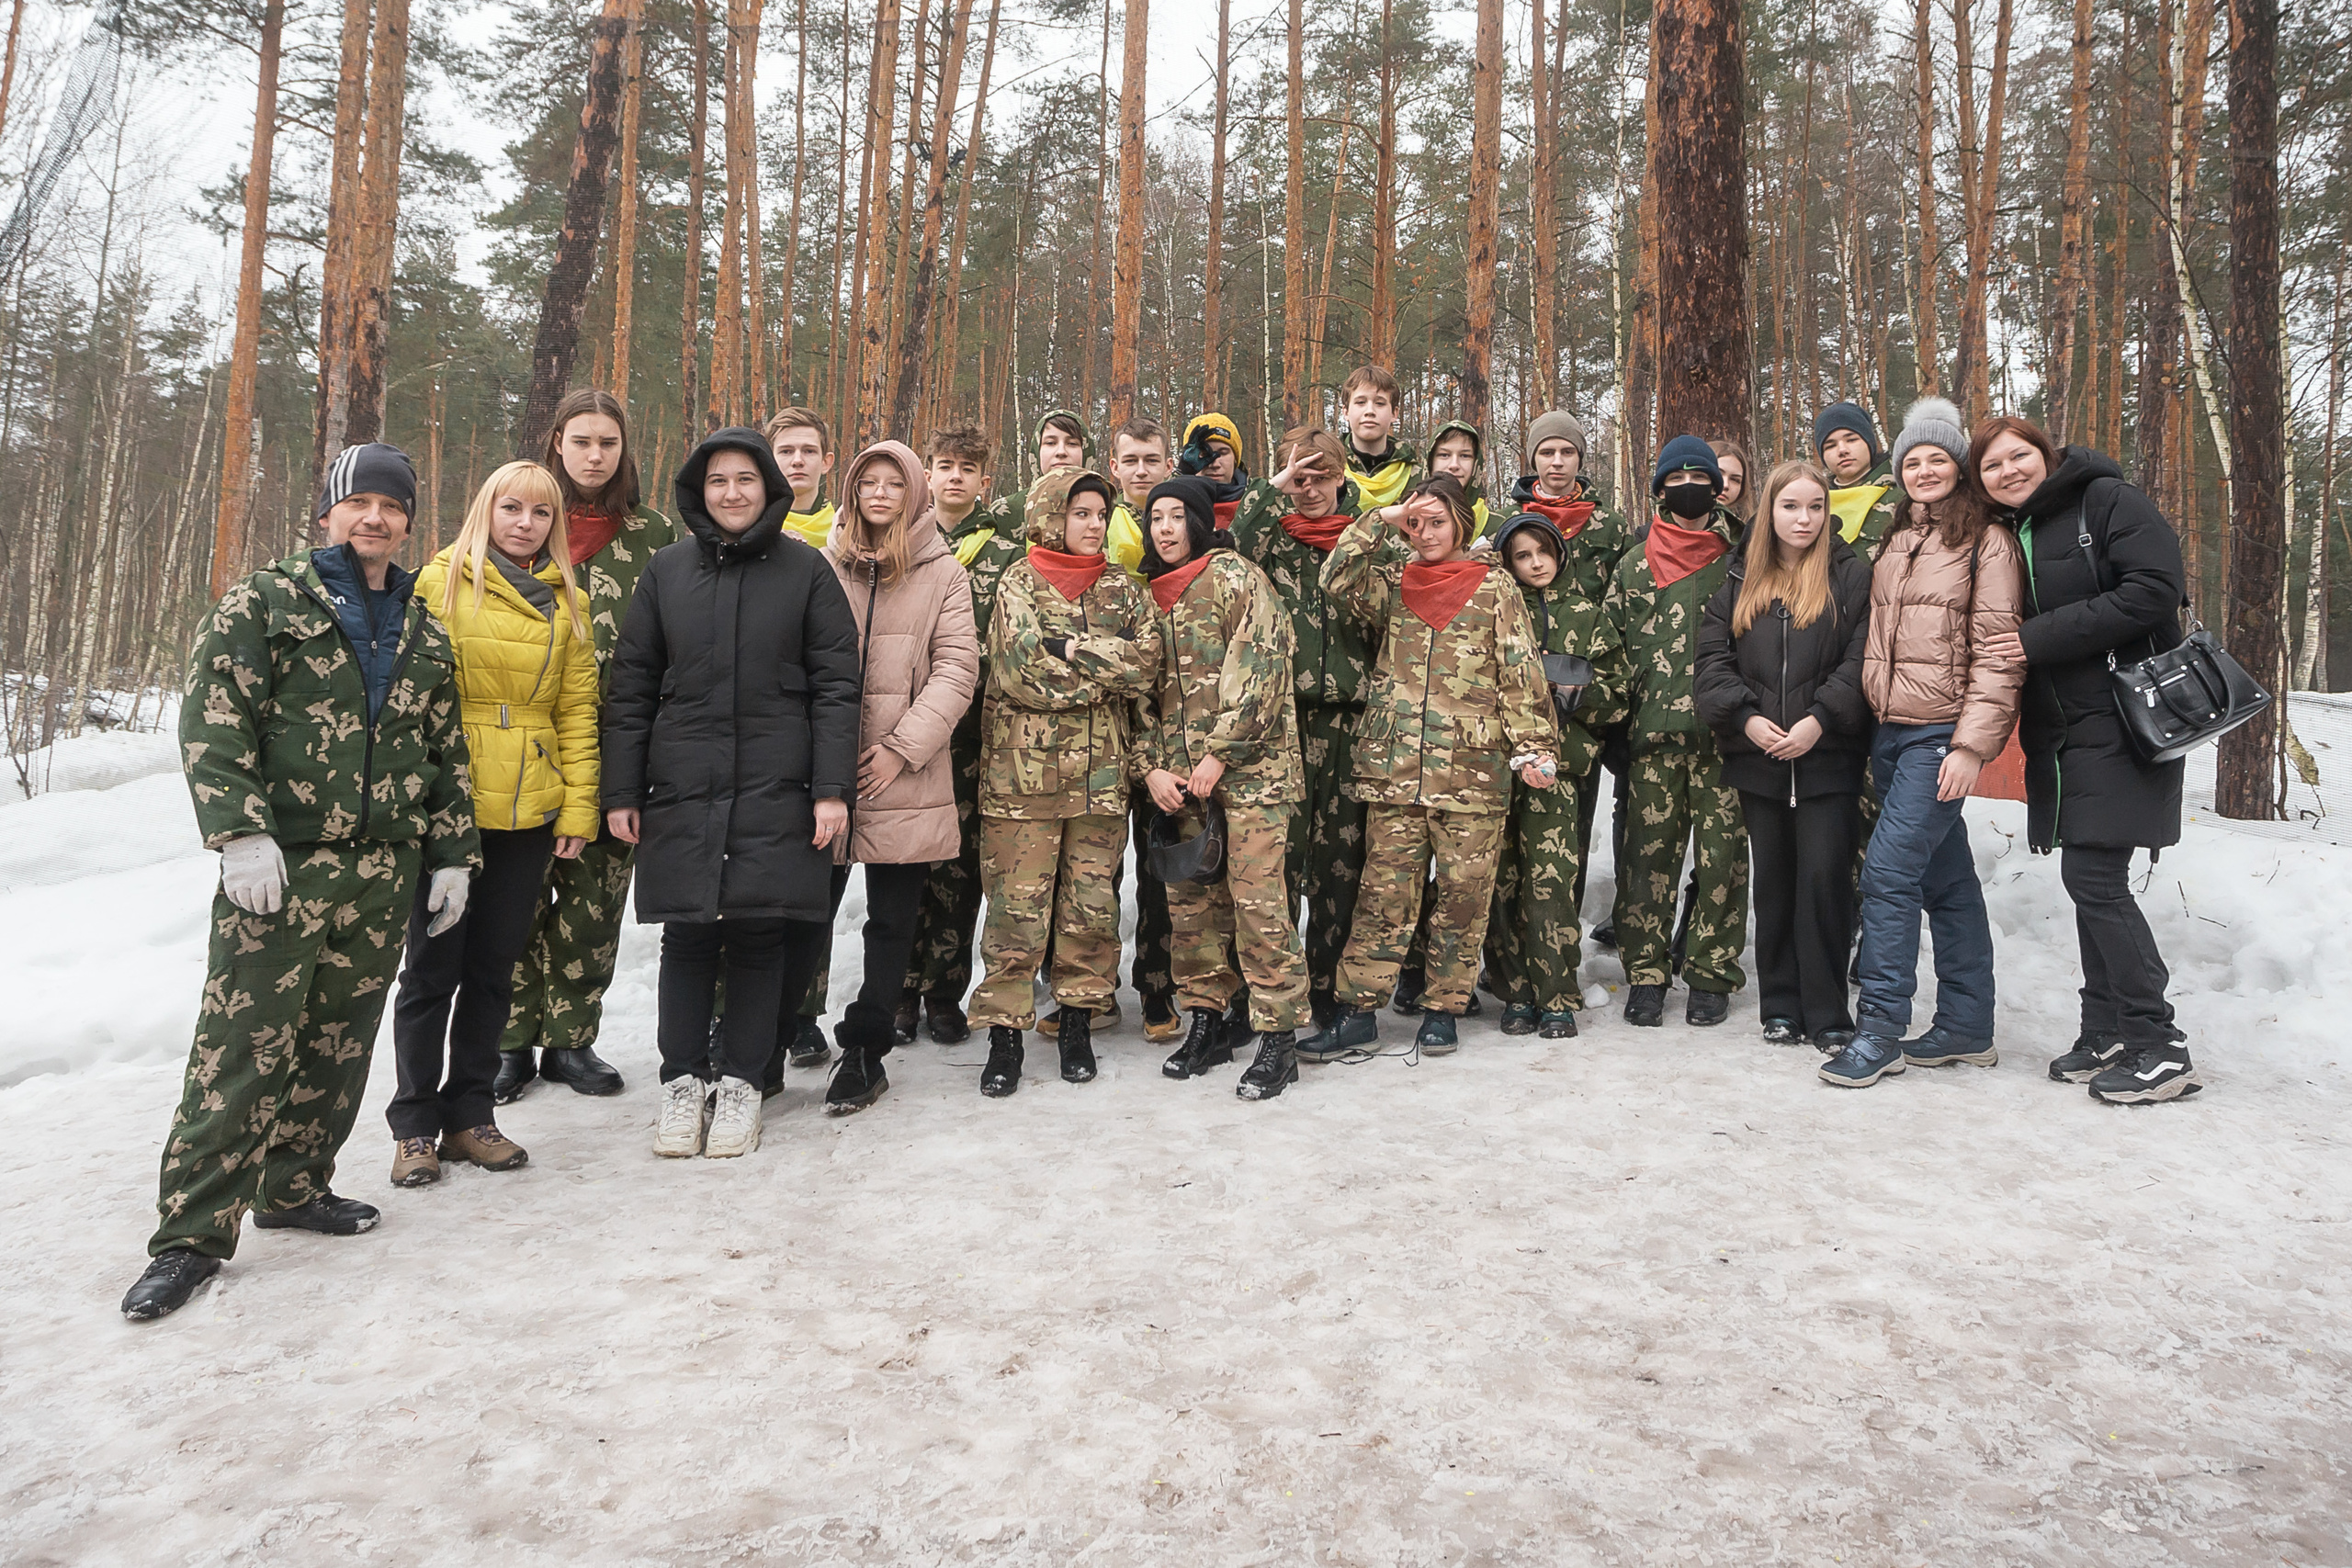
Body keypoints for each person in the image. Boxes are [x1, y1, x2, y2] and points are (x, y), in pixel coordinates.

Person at [121, 444, 481, 1323]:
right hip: (282, 867)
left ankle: (295, 1186)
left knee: (338, 1039)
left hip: (381, 868)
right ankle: (189, 1236)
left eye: (390, 506)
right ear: (326, 514)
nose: (374, 518)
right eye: (356, 502)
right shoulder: (266, 602)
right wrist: (240, 833)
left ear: (407, 521)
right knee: (242, 1047)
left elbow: (444, 752)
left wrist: (451, 852)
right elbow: (214, 719)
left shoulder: (424, 625)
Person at [601, 428, 861, 1156]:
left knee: (758, 932)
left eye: (746, 479)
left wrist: (830, 789)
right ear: (698, 490)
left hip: (778, 783)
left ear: (769, 487)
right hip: (682, 784)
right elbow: (632, 689)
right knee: (688, 933)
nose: (733, 492)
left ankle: (745, 1081)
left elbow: (839, 687)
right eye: (718, 481)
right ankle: (683, 1083)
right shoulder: (666, 572)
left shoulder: (807, 571)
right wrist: (622, 788)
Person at [1974, 416, 2201, 1103]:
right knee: (2090, 881)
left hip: (2125, 719)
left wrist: (2035, 637)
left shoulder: (2107, 501)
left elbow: (2155, 589)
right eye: (1992, 465)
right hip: (2065, 729)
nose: (2008, 471)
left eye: (2019, 456)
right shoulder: (2016, 530)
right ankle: (2105, 1029)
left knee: (2095, 878)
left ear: (2047, 455)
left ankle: (2159, 1045)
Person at [387, 461, 599, 1185]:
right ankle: (413, 1126)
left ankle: (471, 1115)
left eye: (541, 514)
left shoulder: (569, 599)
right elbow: (407, 700)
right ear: (486, 510)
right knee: (430, 970)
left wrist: (577, 805)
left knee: (492, 970)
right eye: (512, 508)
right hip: (449, 807)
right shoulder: (437, 582)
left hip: (528, 809)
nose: (525, 524)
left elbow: (576, 709)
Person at [1298, 476, 1558, 1058]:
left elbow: (1521, 673)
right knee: (1383, 893)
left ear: (1462, 523)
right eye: (1418, 522)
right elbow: (1334, 578)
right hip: (1395, 769)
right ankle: (1359, 1010)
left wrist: (1535, 745)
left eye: (1438, 520)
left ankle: (1443, 1008)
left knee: (1464, 896)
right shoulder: (1391, 584)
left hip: (1472, 769)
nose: (1427, 532)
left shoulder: (1495, 590)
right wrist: (1380, 519)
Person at [1821, 398, 2025, 1089]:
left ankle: (1879, 1028)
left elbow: (1999, 653)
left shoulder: (1986, 542)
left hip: (1939, 735)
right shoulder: (1897, 540)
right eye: (1913, 460)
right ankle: (1969, 1023)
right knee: (1948, 879)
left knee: (1887, 873)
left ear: (1958, 466)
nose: (1925, 469)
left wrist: (1970, 746)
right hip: (1890, 731)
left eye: (1938, 457)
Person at [495, 389, 675, 1104]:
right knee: (517, 893)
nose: (595, 455)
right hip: (527, 745)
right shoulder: (523, 523)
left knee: (593, 900)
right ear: (557, 444)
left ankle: (571, 1037)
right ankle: (508, 1041)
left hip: (620, 742)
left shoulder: (653, 533)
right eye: (581, 441)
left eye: (608, 442)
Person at [797, 440, 979, 1112]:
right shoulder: (820, 567)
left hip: (905, 772)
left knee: (891, 921)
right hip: (826, 772)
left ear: (914, 492)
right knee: (805, 911)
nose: (878, 493)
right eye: (866, 482)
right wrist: (824, 751)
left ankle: (866, 1049)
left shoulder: (944, 574)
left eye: (892, 483)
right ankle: (779, 1030)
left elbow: (957, 669)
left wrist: (901, 749)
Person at [968, 468, 1161, 1096]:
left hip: (1101, 780)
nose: (1093, 524)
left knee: (1091, 907)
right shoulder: (1017, 583)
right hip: (1022, 783)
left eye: (1099, 514)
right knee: (1016, 912)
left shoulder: (1124, 591)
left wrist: (1072, 647)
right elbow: (1024, 671)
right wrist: (1105, 662)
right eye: (1079, 513)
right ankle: (1005, 1034)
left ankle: (1078, 1018)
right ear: (1051, 516)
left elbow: (1147, 667)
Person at [1135, 474, 1311, 1100]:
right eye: (1155, 517)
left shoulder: (1237, 577)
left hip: (1252, 774)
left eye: (1177, 516)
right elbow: (1137, 696)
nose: (1164, 528)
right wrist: (1152, 765)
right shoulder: (1144, 594)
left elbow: (1261, 665)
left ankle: (1277, 1037)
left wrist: (1219, 752)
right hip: (1180, 783)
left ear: (1201, 523)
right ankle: (1207, 1018)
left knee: (1259, 904)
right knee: (1190, 909)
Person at [1694, 460, 1872, 1051]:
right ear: (1769, 510)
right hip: (1759, 757)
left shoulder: (1850, 575)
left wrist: (1820, 720)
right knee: (1773, 883)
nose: (1804, 518)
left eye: (1816, 507)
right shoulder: (1739, 575)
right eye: (1791, 506)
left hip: (1828, 756)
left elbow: (1861, 660)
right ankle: (1781, 1005)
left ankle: (1827, 1013)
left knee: (1824, 880)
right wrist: (1748, 718)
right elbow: (1712, 663)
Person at [1227, 427, 1371, 1023]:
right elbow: (1228, 545)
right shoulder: (1273, 542)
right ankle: (1270, 991)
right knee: (1278, 866)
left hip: (1350, 724)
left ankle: (1328, 991)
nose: (1310, 489)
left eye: (1321, 476)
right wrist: (1274, 486)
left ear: (1343, 478)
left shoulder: (1364, 540)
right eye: (1299, 477)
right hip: (1282, 725)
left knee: (1342, 864)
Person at [1604, 436, 1747, 1028]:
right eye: (1677, 475)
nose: (1690, 484)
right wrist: (1615, 727)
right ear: (1659, 488)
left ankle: (1712, 974)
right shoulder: (1635, 562)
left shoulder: (1746, 557)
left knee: (1723, 860)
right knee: (1646, 861)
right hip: (1652, 740)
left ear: (1718, 487)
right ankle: (1646, 974)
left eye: (1701, 475)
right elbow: (1607, 649)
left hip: (1727, 739)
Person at [902, 425, 1024, 1047]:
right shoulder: (901, 541)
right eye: (943, 464)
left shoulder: (1007, 551)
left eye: (967, 468)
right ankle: (898, 987)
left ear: (984, 480)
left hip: (976, 734)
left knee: (959, 868)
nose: (954, 477)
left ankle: (942, 992)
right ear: (925, 472)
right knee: (904, 863)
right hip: (907, 730)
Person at [1483, 511, 1624, 1039]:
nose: (1535, 563)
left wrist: (1578, 697)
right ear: (1507, 562)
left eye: (1543, 551)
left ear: (1560, 554)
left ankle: (1557, 993)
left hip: (1559, 769)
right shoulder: (1494, 609)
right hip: (1498, 767)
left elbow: (1619, 687)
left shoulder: (1588, 614)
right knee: (1503, 880)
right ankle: (1514, 991)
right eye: (1522, 555)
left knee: (1552, 881)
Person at [1497, 410, 1633, 942]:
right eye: (1546, 452)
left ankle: (1558, 942)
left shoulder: (1608, 525)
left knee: (1568, 832)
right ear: (1532, 459)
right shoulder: (1507, 522)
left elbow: (1619, 604)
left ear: (1581, 458)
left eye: (1567, 452)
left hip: (1585, 690)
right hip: (1517, 698)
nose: (1557, 462)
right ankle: (1507, 954)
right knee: (1511, 840)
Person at [1815, 400, 1900, 554]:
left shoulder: (1903, 491)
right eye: (1830, 446)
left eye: (1852, 440)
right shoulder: (1817, 503)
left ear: (1869, 442)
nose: (1842, 450)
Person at [1339, 365, 1419, 509]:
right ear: (1346, 412)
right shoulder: (1327, 466)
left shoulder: (1417, 473)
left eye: (1380, 403)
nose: (1370, 411)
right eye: (1360, 402)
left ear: (1394, 413)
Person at [767, 405, 840, 548]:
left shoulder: (844, 534)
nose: (797, 461)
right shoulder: (750, 530)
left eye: (809, 451)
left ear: (826, 462)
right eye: (786, 451)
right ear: (769, 461)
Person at [1428, 419, 1492, 538]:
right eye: (1444, 455)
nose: (1454, 465)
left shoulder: (1498, 527)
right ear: (1430, 462)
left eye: (1465, 456)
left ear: (1476, 464)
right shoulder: (1409, 523)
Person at [1711, 438, 1756, 530]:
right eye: (1718, 474)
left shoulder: (1748, 534)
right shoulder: (1674, 528)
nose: (1726, 485)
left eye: (1735, 480)